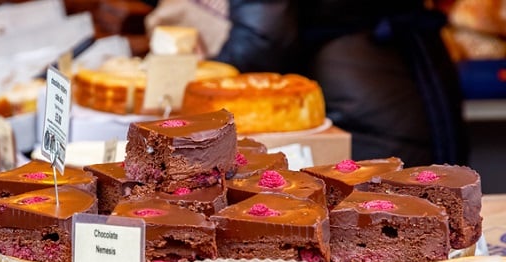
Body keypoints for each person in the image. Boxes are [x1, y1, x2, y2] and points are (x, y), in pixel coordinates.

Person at [145, 0, 469, 167]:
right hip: (416, 66)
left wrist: (203, 85)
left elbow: (262, 37)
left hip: (350, 85)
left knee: (380, 224)